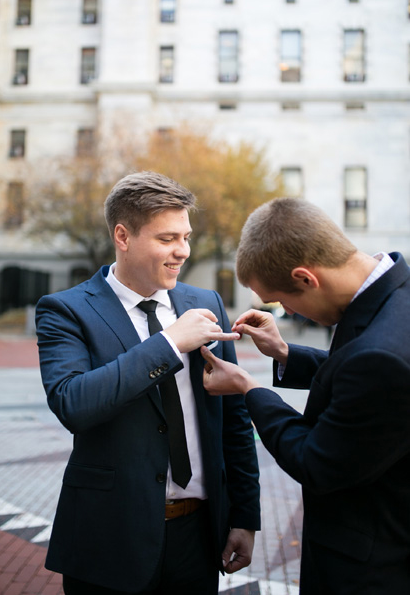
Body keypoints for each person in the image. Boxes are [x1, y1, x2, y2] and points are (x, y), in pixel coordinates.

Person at [36, 171, 260, 595]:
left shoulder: (205, 303)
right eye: (167, 239)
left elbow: (233, 419)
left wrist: (245, 515)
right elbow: (73, 404)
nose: (183, 252)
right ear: (123, 236)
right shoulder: (64, 311)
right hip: (107, 537)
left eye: (186, 237)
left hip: (198, 534)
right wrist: (169, 343)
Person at [202, 197, 410, 595]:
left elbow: (315, 462)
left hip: (372, 571)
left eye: (283, 302)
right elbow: (359, 380)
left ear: (306, 278)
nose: (290, 313)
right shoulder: (392, 296)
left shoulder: (383, 356)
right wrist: (285, 354)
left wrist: (250, 388)